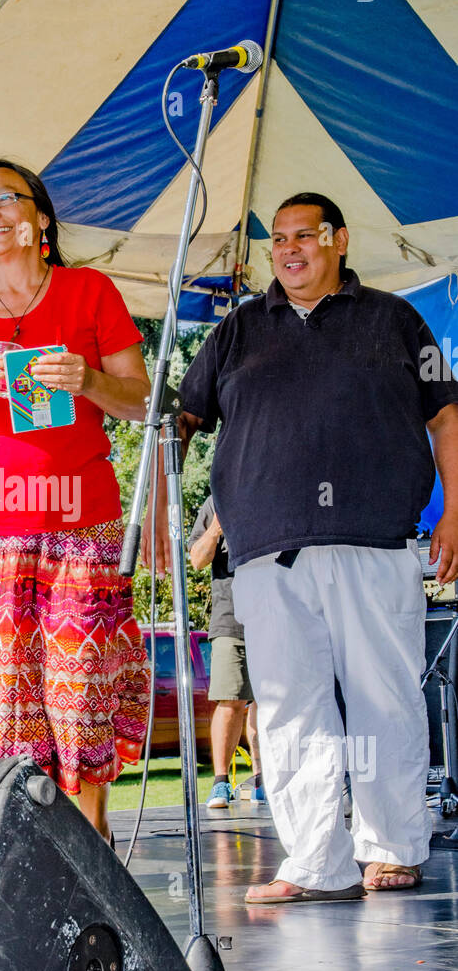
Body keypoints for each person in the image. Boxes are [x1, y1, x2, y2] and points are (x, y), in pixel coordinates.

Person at [147, 193, 458, 900]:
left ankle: (392, 848)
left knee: (382, 698)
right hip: (264, 550)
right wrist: (163, 513)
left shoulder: (392, 318)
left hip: (373, 540)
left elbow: (446, 416)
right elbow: (182, 419)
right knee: (289, 708)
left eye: (304, 235)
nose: (288, 249)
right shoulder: (236, 330)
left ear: (338, 240)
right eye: (276, 239)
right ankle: (315, 863)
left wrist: (455, 515)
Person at [0, 159, 151, 842]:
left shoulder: (88, 292)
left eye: (3, 199)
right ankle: (8, 850)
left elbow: (142, 403)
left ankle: (94, 849)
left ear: (40, 218)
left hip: (77, 530)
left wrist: (89, 379)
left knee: (80, 692)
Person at [188, 494, 262, 807]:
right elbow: (197, 559)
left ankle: (263, 779)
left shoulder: (271, 490)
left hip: (276, 613)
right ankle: (221, 782)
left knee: (268, 701)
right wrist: (217, 528)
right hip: (231, 618)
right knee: (230, 699)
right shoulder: (215, 503)